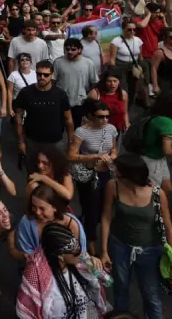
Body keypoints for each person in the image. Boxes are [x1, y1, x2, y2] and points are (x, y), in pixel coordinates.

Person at [101, 154, 172, 319]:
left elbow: (169, 229)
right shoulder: (113, 186)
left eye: (118, 170)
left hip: (150, 250)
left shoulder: (157, 194)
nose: (115, 172)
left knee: (151, 295)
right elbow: (106, 218)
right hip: (120, 246)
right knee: (120, 290)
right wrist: (104, 251)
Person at [16, 223, 109, 319]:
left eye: (79, 247)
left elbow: (105, 283)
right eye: (76, 252)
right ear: (61, 256)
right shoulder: (37, 275)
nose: (81, 253)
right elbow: (27, 313)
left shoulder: (81, 264)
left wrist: (96, 268)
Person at [67, 99, 118, 255]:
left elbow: (114, 149)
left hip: (106, 173)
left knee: (106, 208)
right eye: (100, 117)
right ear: (91, 116)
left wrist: (112, 157)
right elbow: (71, 155)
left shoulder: (111, 129)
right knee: (91, 209)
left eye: (107, 116)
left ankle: (102, 239)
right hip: (88, 175)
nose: (105, 120)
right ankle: (90, 242)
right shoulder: (82, 132)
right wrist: (94, 156)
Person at [15, 60, 74, 158]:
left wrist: (71, 143)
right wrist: (20, 142)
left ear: (52, 75)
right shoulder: (26, 92)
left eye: (46, 75)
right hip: (32, 140)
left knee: (57, 167)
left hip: (55, 141)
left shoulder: (60, 94)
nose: (42, 77)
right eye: (39, 74)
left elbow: (69, 119)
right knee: (32, 167)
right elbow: (18, 117)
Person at [141, 94, 172, 195]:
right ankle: (156, 206)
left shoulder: (155, 116)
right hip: (153, 162)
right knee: (155, 194)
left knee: (167, 189)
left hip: (157, 159)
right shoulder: (166, 122)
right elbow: (167, 150)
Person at [53, 38, 98, 128]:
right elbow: (53, 82)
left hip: (80, 102)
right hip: (61, 102)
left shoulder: (88, 63)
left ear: (79, 50)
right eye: (67, 49)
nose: (69, 52)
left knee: (77, 128)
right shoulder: (58, 62)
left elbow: (94, 83)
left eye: (73, 49)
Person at [108, 20, 144, 107]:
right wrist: (114, 72)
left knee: (133, 89)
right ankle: (121, 106)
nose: (132, 32)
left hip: (133, 67)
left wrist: (141, 68)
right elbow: (112, 59)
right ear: (123, 29)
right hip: (121, 66)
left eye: (134, 30)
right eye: (129, 29)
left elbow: (140, 56)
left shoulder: (138, 40)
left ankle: (128, 106)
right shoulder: (116, 41)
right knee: (123, 88)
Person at [6, 53, 36, 120]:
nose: (25, 61)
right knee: (18, 123)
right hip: (18, 103)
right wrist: (10, 108)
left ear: (30, 62)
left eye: (27, 59)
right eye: (22, 60)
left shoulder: (35, 73)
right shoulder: (13, 75)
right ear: (19, 62)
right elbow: (9, 92)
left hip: (33, 103)